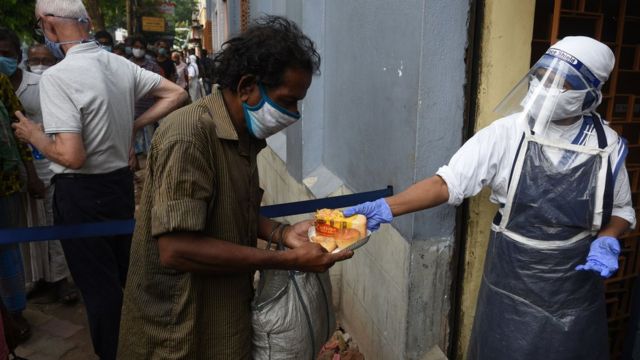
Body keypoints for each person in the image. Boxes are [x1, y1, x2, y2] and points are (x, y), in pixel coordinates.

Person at [346, 36, 635, 360]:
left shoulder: (607, 147)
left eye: (561, 83)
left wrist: (609, 237)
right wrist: (387, 207)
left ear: (590, 93)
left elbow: (622, 207)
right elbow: (446, 184)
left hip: (574, 289)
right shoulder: (508, 133)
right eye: (542, 76)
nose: (546, 88)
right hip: (510, 288)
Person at [117, 16, 352, 359]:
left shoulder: (244, 137)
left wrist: (283, 235)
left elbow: (229, 213)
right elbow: (177, 248)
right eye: (287, 101)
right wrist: (287, 261)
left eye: (298, 103)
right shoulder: (189, 135)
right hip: (178, 330)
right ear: (247, 87)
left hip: (223, 318)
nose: (293, 114)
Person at [11, 1, 188, 358]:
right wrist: (133, 125)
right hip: (118, 187)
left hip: (81, 192)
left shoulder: (58, 78)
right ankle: (141, 347)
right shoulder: (118, 64)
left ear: (48, 24)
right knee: (124, 279)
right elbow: (177, 93)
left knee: (100, 292)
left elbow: (72, 155)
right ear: (87, 23)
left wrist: (35, 136)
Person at [0, 28, 78, 305]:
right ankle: (32, 280)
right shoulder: (2, 88)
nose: (1, 59)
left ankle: (60, 279)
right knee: (24, 226)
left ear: (17, 56)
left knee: (52, 222)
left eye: (6, 54)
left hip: (47, 165)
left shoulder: (41, 84)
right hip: (14, 171)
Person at [0, 72, 43, 344]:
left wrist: (31, 173)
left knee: (8, 251)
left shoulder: (0, 81)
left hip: (5, 182)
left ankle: (14, 313)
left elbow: (19, 124)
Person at [129, 35, 164, 160]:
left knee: (150, 144)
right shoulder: (125, 64)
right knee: (132, 145)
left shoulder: (153, 66)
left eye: (141, 47)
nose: (138, 49)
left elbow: (160, 88)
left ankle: (149, 169)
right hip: (130, 110)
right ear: (131, 48)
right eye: (136, 47)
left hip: (149, 110)